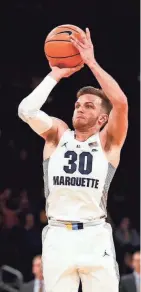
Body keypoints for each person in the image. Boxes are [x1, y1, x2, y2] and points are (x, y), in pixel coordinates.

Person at [18, 27, 128, 292]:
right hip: (58, 235)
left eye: (89, 106)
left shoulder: (107, 142)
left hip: (94, 234)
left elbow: (121, 103)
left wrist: (90, 61)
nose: (80, 108)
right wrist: (55, 74)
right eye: (78, 105)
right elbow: (26, 110)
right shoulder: (57, 134)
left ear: (102, 119)